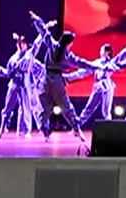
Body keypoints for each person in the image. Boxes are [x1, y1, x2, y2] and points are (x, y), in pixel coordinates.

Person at [30, 11, 106, 142]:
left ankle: (45, 131)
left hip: (45, 79)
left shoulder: (52, 45)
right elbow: (83, 63)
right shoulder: (67, 56)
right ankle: (76, 127)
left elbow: (43, 31)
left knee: (45, 107)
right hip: (56, 81)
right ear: (68, 43)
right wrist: (98, 66)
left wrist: (36, 18)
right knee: (66, 106)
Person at [65, 39, 126, 127]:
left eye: (102, 50)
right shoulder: (96, 62)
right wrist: (69, 77)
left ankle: (109, 128)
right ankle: (77, 126)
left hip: (107, 86)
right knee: (89, 107)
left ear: (107, 52)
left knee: (106, 110)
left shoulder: (112, 62)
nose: (100, 52)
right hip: (97, 86)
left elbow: (122, 54)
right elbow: (83, 71)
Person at [0, 28, 50, 139]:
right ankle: (2, 128)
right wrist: (0, 72)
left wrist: (44, 29)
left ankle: (27, 130)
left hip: (25, 84)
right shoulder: (13, 58)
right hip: (14, 84)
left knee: (26, 108)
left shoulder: (29, 56)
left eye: (23, 44)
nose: (21, 46)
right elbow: (8, 72)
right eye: (19, 44)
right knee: (8, 106)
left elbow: (37, 44)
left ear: (26, 45)